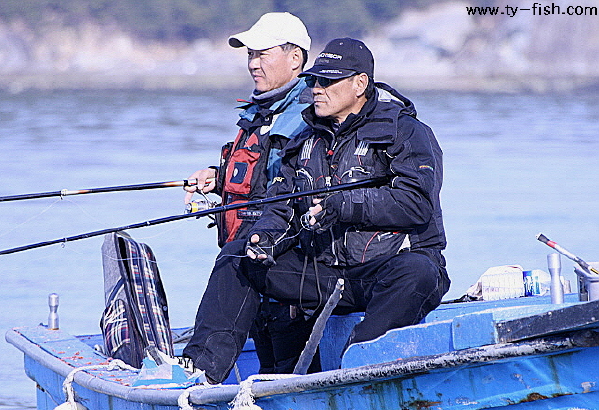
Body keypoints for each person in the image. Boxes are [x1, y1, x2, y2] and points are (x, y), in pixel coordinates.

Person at [183, 37, 450, 385]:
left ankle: (357, 366)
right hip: (326, 275)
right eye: (314, 80)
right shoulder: (305, 139)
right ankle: (201, 371)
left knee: (420, 272)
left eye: (328, 81)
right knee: (238, 256)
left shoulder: (407, 132)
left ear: (360, 84)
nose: (317, 89)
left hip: (387, 270)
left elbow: (416, 203)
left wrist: (343, 205)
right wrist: (266, 237)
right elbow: (281, 205)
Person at [183, 12, 322, 376]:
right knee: (270, 367)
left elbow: (295, 179)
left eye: (263, 54)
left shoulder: (310, 111)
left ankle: (198, 373)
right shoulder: (263, 109)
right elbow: (259, 170)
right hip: (253, 260)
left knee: (292, 369)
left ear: (295, 58)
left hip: (281, 256)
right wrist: (218, 178)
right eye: (250, 55)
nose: (253, 64)